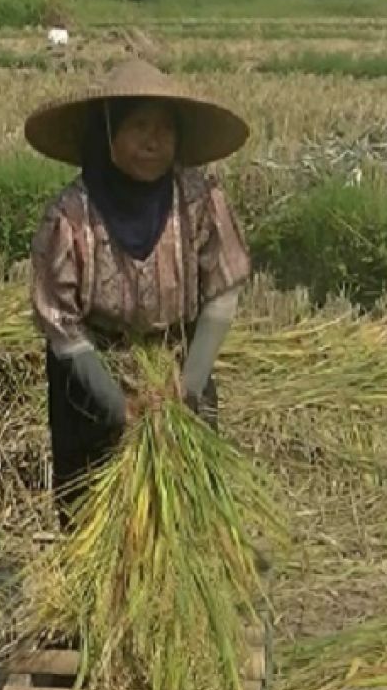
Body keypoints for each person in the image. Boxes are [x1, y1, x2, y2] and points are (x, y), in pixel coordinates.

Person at [23, 59, 253, 532]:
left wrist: (188, 383)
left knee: (191, 505)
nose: (155, 141)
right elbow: (60, 323)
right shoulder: (70, 215)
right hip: (92, 373)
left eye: (166, 129)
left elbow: (223, 290)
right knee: (95, 511)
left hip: (178, 360)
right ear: (108, 133)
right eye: (140, 126)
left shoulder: (200, 198)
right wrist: (115, 403)